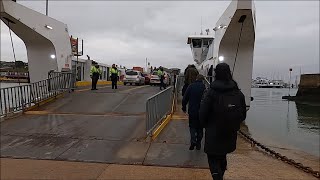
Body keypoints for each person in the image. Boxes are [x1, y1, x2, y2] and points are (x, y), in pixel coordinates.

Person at [199, 63, 247, 180]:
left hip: (214, 131)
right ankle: (220, 175)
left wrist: (205, 125)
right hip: (230, 132)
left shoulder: (211, 92)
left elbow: (202, 112)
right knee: (222, 155)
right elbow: (243, 115)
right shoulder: (238, 93)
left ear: (216, 74)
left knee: (212, 157)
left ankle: (217, 177)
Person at [182, 74, 206, 150]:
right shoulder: (205, 87)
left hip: (192, 110)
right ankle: (198, 143)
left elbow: (185, 97)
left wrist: (184, 107)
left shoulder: (191, 86)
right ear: (203, 80)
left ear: (196, 79)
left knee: (192, 126)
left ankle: (193, 141)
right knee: (200, 128)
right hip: (202, 111)